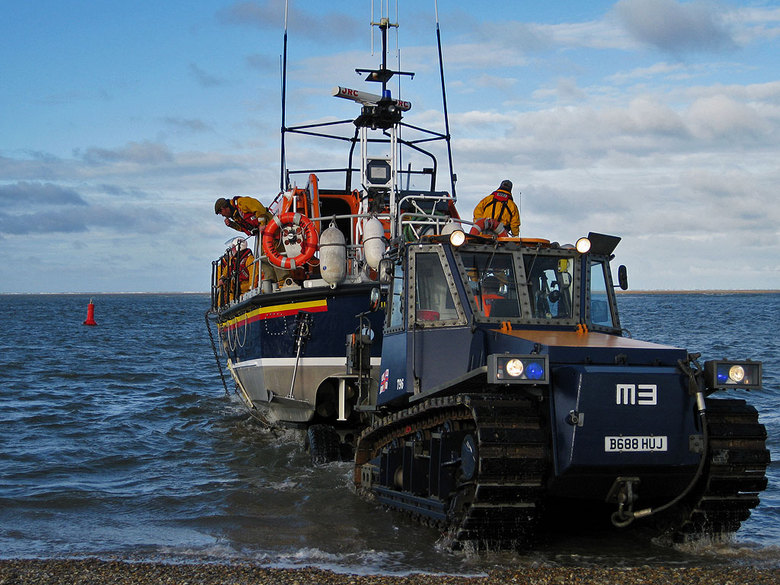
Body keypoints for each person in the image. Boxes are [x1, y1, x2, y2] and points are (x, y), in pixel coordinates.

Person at [215, 196, 289, 288]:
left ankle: (284, 279)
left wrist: (262, 224)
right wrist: (232, 225)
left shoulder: (242, 203)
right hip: (261, 233)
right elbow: (244, 228)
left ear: (223, 208)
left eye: (222, 213)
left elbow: (259, 208)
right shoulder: (236, 216)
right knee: (263, 256)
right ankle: (271, 280)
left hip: (270, 228)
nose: (223, 216)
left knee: (275, 253)